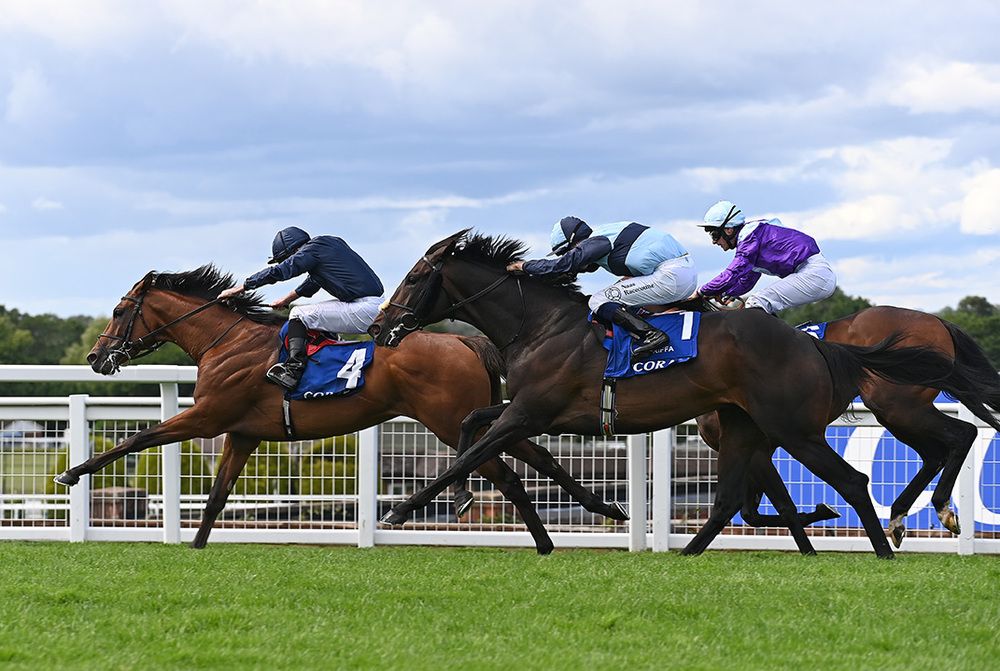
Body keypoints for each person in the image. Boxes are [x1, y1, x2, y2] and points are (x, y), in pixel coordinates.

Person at [219, 226, 384, 390]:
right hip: (372, 306)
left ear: (295, 250)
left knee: (298, 313)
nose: (288, 261)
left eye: (287, 258)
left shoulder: (313, 249)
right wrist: (285, 300)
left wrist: (240, 288)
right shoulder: (326, 246)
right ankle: (331, 355)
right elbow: (313, 283)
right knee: (312, 313)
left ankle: (293, 370)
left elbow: (281, 271)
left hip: (364, 309)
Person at [507, 216, 697, 357]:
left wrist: (525, 266)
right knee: (617, 291)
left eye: (567, 251)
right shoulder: (607, 235)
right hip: (681, 272)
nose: (571, 255)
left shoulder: (597, 241)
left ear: (575, 242)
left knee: (599, 300)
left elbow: (566, 264)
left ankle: (650, 335)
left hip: (672, 275)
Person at [693, 200, 836, 313]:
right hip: (813, 273)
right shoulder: (752, 239)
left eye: (714, 234)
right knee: (759, 301)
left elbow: (732, 272)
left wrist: (701, 291)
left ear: (729, 230)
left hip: (813, 274)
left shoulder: (750, 238)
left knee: (756, 302)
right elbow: (746, 281)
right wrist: (724, 292)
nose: (714, 241)